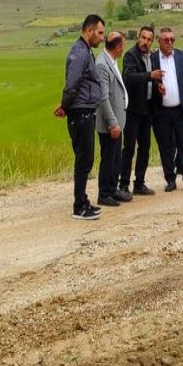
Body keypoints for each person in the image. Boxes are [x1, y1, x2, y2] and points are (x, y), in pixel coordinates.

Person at [54, 15, 106, 220]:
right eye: (100, 33)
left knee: (86, 159)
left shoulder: (85, 52)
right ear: (89, 30)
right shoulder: (79, 53)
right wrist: (65, 106)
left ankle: (83, 201)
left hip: (85, 110)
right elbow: (72, 83)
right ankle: (79, 206)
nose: (102, 38)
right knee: (84, 160)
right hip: (80, 112)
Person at [150, 27, 183, 192]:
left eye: (172, 39)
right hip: (161, 111)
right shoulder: (152, 58)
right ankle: (170, 180)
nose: (170, 42)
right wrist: (157, 86)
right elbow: (148, 81)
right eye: (166, 40)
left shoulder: (181, 56)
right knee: (166, 147)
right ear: (159, 41)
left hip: (181, 110)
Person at [121, 26, 162, 196]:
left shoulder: (151, 57)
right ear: (138, 37)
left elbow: (152, 80)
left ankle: (139, 183)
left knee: (144, 148)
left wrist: (158, 86)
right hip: (132, 111)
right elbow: (128, 78)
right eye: (143, 38)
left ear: (152, 41)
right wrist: (149, 75)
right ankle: (123, 185)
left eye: (149, 39)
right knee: (129, 148)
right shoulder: (131, 55)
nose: (145, 42)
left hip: (147, 109)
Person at [95, 31, 128, 206]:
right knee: (108, 157)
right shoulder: (102, 64)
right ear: (117, 46)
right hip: (109, 123)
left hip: (117, 120)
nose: (124, 47)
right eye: (123, 44)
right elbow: (103, 97)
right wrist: (113, 122)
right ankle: (104, 193)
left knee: (116, 157)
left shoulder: (112, 61)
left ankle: (113, 188)